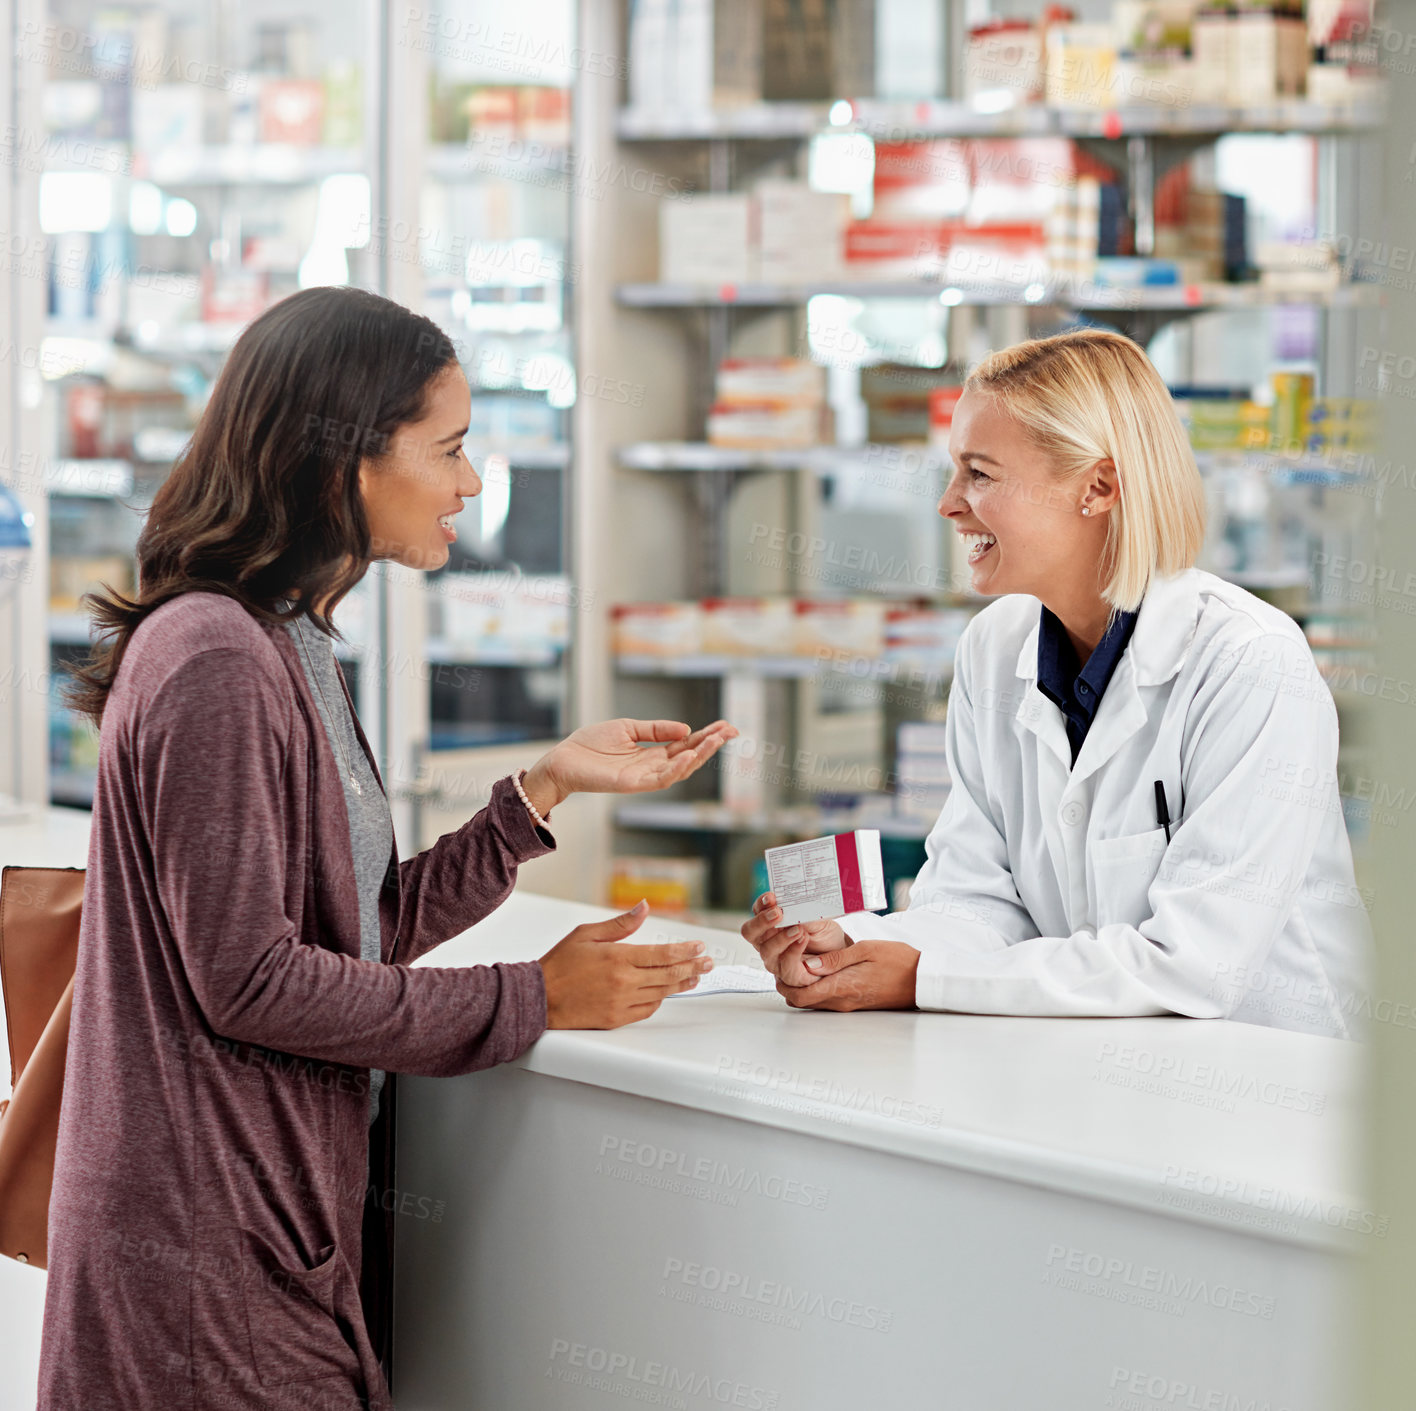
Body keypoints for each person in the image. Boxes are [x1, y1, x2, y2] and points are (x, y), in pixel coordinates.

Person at [40, 286, 735, 1411]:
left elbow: (351, 927)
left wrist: (540, 790)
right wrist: (532, 997)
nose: (471, 484)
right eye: (451, 449)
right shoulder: (217, 657)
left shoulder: (290, 637)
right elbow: (252, 981)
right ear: (340, 464)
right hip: (203, 1262)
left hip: (272, 1233)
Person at [743, 328, 1369, 1037]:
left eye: (979, 473)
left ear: (1097, 487)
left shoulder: (1248, 662)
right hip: (1099, 1061)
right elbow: (978, 902)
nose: (949, 503)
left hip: (1278, 1079)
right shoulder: (993, 645)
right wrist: (860, 952)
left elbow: (1196, 963)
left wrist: (923, 978)